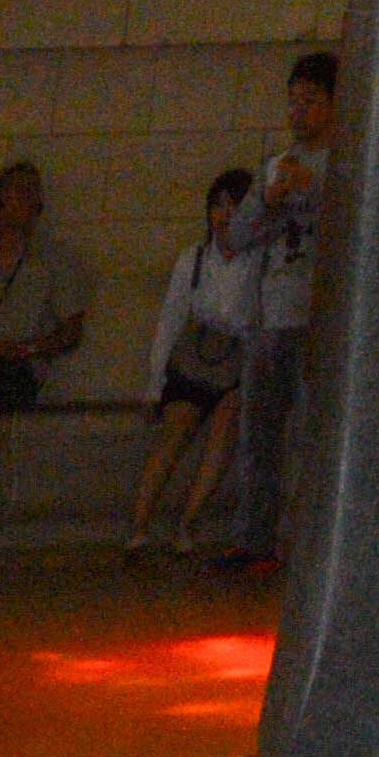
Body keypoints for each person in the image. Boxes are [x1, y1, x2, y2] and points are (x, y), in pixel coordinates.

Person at [211, 46, 334, 562]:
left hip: (315, 319)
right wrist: (268, 198)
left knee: (310, 438)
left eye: (309, 100)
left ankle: (305, 545)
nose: (296, 111)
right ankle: (252, 540)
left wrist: (320, 191)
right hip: (268, 317)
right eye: (291, 100)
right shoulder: (274, 167)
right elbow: (234, 239)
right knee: (257, 437)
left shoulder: (344, 165)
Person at [128, 167, 257, 550]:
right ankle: (138, 527)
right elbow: (170, 319)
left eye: (234, 207)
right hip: (196, 357)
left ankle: (188, 524)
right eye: (217, 206)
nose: (224, 216)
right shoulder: (194, 259)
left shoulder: (256, 262)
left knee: (225, 428)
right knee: (174, 433)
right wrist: (155, 384)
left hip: (235, 359)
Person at [0, 155, 85, 411]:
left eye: (33, 190)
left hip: (17, 368)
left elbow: (71, 331)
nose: (27, 198)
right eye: (19, 189)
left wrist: (26, 349)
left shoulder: (55, 260)